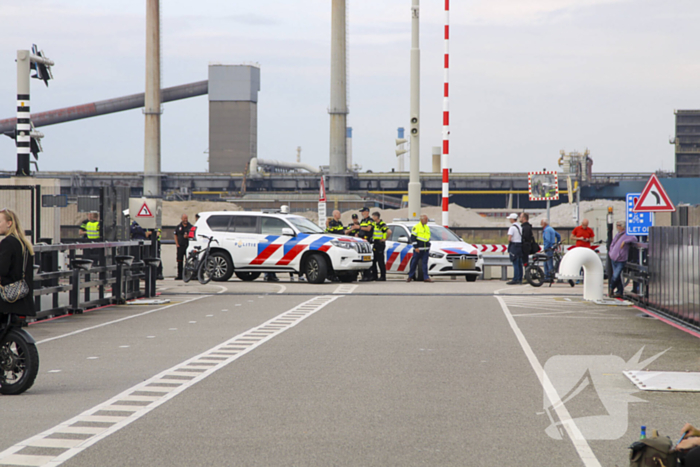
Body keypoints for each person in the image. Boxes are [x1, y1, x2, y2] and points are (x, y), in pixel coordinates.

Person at [0, 209, 35, 317]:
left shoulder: (7, 243)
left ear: (9, 223)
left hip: (7, 299)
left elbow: (2, 269)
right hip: (22, 296)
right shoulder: (24, 243)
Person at [608, 221, 636, 298]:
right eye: (617, 225)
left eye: (619, 225)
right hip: (613, 258)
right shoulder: (618, 234)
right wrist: (611, 252)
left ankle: (611, 288)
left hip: (621, 259)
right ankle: (620, 291)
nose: (617, 227)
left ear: (623, 226)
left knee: (615, 275)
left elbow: (634, 239)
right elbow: (612, 243)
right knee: (617, 276)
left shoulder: (627, 234)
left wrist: (625, 241)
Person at [406, 214, 432, 283]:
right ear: (422, 220)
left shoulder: (427, 227)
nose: (427, 221)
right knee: (414, 263)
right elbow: (413, 238)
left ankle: (426, 277)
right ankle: (410, 276)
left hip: (425, 249)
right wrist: (416, 247)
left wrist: (429, 246)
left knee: (424, 264)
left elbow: (427, 237)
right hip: (418, 249)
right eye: (426, 219)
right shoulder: (416, 227)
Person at [370, 211, 391, 281]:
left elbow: (389, 231)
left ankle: (383, 276)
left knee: (380, 261)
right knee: (373, 261)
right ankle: (374, 275)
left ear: (376, 217)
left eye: (373, 216)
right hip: (375, 243)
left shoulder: (382, 224)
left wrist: (385, 239)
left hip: (380, 244)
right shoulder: (375, 224)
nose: (372, 218)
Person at [358, 207, 375, 282]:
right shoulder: (362, 220)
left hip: (368, 241)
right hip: (362, 241)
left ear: (367, 212)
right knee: (363, 259)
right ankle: (364, 276)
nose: (362, 213)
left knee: (368, 258)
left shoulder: (370, 220)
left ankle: (369, 275)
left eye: (363, 212)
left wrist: (359, 227)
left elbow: (368, 229)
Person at [174, 214, 192, 280]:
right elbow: (175, 235)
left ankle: (188, 275)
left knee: (188, 261)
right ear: (181, 219)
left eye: (186, 218)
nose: (185, 220)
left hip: (188, 246)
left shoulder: (190, 226)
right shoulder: (178, 227)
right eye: (184, 218)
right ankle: (180, 275)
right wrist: (177, 244)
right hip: (180, 246)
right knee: (179, 260)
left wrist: (188, 237)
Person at [506, 213, 523, 285]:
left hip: (514, 246)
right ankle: (520, 279)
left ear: (513, 219)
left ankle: (515, 279)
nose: (510, 220)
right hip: (520, 246)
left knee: (515, 262)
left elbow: (509, 238)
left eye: (510, 219)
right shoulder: (520, 226)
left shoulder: (512, 227)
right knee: (519, 263)